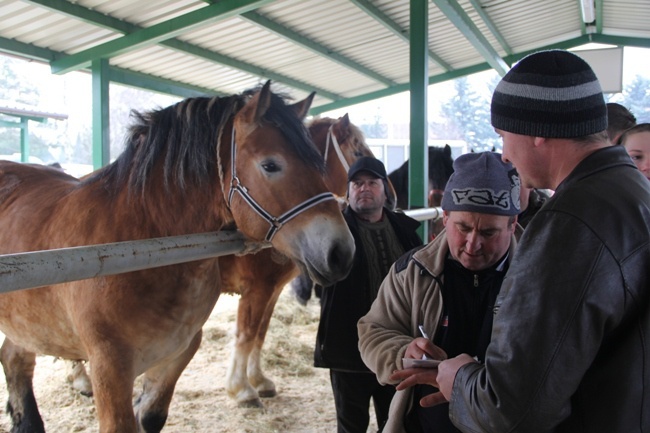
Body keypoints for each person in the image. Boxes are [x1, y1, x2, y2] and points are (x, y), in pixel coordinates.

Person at [389, 49, 650, 433]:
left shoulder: (569, 224)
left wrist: (458, 377)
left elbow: (509, 409)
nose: (506, 155)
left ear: (538, 131)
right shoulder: (634, 193)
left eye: (504, 135)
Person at [358, 151, 523, 433]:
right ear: (444, 217)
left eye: (488, 233)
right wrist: (403, 353)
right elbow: (373, 331)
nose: (473, 244)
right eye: (463, 227)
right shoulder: (411, 272)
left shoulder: (536, 279)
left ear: (512, 224)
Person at [314, 156, 423, 433]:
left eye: (372, 182)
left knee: (397, 424)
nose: (364, 188)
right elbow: (318, 281)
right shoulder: (331, 233)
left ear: (385, 189)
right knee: (351, 427)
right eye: (357, 183)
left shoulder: (407, 231)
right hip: (348, 352)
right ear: (348, 191)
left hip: (396, 349)